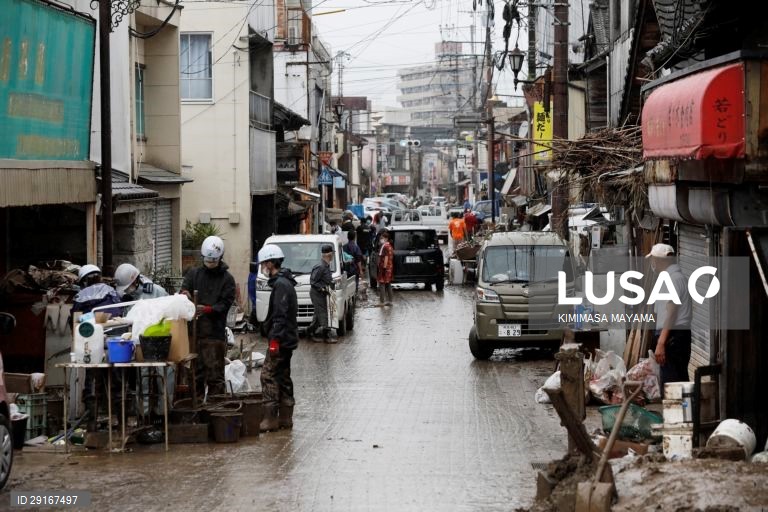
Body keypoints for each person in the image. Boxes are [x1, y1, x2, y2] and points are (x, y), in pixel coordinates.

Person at [180, 236, 236, 397]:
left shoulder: (227, 280)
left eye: (213, 261)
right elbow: (184, 289)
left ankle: (215, 411)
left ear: (219, 258)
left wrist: (207, 309)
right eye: (207, 260)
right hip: (194, 334)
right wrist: (186, 296)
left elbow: (225, 304)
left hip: (214, 334)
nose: (210, 263)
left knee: (215, 377)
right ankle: (195, 411)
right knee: (194, 376)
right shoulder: (194, 274)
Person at [257, 244, 299, 431]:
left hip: (281, 341)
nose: (263, 268)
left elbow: (280, 315)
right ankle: (285, 419)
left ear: (270, 263)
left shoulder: (281, 285)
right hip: (287, 339)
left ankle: (270, 419)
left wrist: (274, 340)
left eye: (264, 264)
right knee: (283, 376)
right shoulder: (285, 282)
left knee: (268, 375)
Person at [647, 243, 692, 395]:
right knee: (676, 385)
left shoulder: (673, 279)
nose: (652, 263)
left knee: (673, 387)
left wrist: (661, 343)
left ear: (660, 261)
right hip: (674, 336)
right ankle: (682, 416)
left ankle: (678, 418)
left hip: (673, 337)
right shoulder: (670, 278)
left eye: (653, 260)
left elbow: (671, 313)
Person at [307, 244, 337, 342]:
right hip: (317, 293)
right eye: (332, 253)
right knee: (323, 313)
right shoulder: (320, 267)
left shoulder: (326, 266)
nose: (333, 255)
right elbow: (313, 282)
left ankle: (309, 332)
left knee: (318, 314)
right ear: (329, 255)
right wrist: (322, 288)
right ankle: (326, 336)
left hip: (323, 293)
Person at [377, 230, 394, 306]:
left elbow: (386, 257)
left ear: (386, 238)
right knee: (388, 283)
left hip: (385, 268)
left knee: (382, 284)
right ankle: (390, 301)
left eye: (382, 238)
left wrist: (384, 267)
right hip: (389, 268)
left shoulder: (385, 247)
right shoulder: (389, 246)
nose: (381, 240)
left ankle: (382, 301)